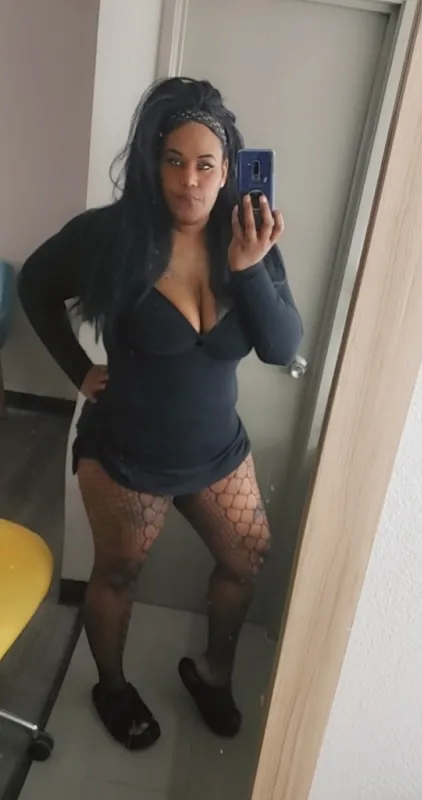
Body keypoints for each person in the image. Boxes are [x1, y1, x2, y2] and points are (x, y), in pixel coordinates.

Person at [18, 77, 303, 751]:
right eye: (173, 160)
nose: (189, 181)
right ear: (152, 162)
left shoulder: (250, 234)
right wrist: (78, 371)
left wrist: (248, 268)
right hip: (126, 456)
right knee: (118, 574)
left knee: (248, 555)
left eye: (205, 164)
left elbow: (281, 346)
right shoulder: (110, 235)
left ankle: (211, 672)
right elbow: (34, 285)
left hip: (217, 452)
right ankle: (112, 688)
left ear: (228, 169)